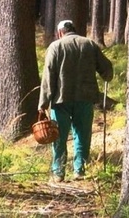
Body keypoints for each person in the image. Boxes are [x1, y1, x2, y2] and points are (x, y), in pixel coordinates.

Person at [38, 20, 113, 182]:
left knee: (59, 136)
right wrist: (108, 75)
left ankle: (58, 172)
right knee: (82, 135)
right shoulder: (89, 45)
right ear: (74, 29)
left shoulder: (55, 47)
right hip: (85, 99)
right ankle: (79, 170)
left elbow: (48, 76)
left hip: (60, 100)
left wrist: (43, 103)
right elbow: (107, 69)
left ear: (60, 33)